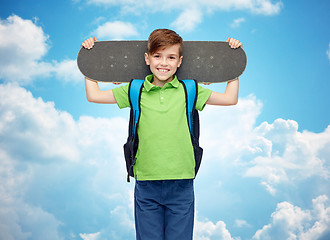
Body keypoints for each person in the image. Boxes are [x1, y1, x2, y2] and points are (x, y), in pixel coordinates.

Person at [81, 29, 242, 240]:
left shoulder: (190, 89)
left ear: (180, 61)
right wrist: (88, 60)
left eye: (171, 57)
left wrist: (233, 62)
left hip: (182, 182)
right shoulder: (134, 89)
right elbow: (94, 95)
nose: (163, 63)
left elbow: (230, 99)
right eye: (157, 56)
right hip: (147, 182)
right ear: (147, 58)